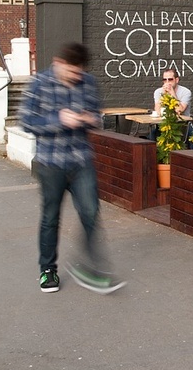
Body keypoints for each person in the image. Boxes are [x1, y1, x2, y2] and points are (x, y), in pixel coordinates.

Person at [19, 41, 124, 294]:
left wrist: (89, 118)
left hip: (80, 161)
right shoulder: (39, 83)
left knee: (90, 212)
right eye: (72, 72)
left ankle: (90, 267)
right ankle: (47, 270)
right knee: (50, 217)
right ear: (59, 63)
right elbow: (26, 121)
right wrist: (58, 119)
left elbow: (98, 116)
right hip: (50, 163)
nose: (77, 77)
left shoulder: (88, 82)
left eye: (80, 72)